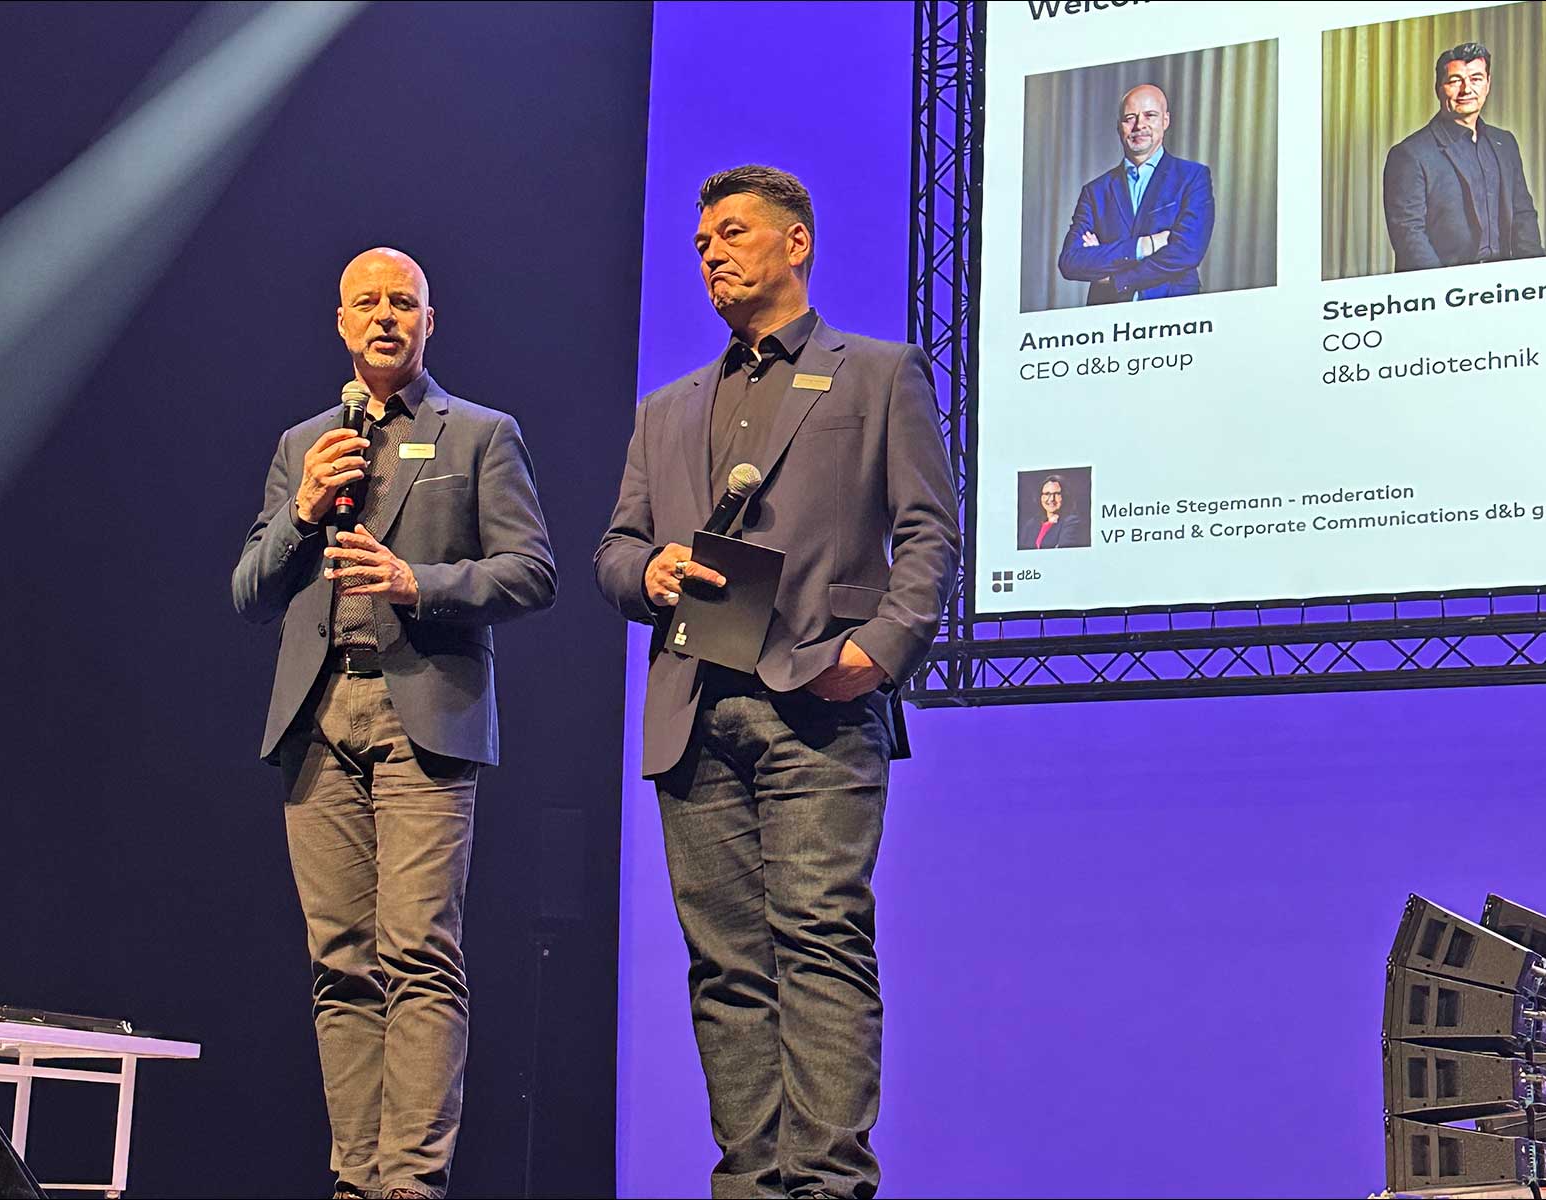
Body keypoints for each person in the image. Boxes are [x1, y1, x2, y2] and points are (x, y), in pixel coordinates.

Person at [595, 166, 959, 1199]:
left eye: (735, 232)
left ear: (795, 244)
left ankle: (831, 1184)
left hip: (820, 702)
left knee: (820, 939)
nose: (713, 251)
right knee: (725, 969)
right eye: (702, 239)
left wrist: (878, 651)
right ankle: (750, 1183)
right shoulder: (667, 410)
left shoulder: (878, 374)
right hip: (695, 710)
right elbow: (614, 552)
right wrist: (650, 570)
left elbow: (930, 534)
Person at [232, 247, 556, 1200]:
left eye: (402, 303)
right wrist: (299, 511)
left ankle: (409, 1185)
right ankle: (355, 1179)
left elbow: (531, 572)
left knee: (418, 952)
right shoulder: (302, 444)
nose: (385, 317)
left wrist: (421, 582)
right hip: (317, 716)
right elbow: (249, 592)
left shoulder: (481, 435)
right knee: (339, 962)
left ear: (429, 319)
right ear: (340, 321)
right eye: (367, 303)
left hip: (425, 715)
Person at [1383, 41, 1544, 272]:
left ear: (1488, 84)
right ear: (1438, 88)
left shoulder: (1505, 143)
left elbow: (1523, 215)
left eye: (1476, 79)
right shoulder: (1409, 155)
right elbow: (1409, 236)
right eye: (1455, 80)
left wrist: (1533, 278)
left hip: (1506, 285)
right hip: (1446, 291)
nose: (1466, 89)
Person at [1056, 83, 1216, 304]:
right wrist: (1146, 245)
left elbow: (1187, 251)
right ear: (1118, 127)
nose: (1139, 125)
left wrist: (1116, 277)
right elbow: (1071, 261)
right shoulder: (1095, 192)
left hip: (1174, 318)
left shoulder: (1193, 177)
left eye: (1150, 115)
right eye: (1130, 118)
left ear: (1165, 121)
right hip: (1106, 325)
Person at [1018, 473, 1085, 549]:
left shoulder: (1072, 522)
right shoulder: (1031, 525)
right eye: (1047, 494)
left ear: (1065, 495)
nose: (1051, 499)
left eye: (1057, 494)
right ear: (1041, 497)